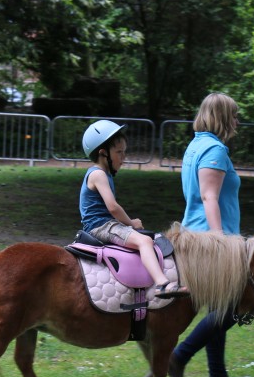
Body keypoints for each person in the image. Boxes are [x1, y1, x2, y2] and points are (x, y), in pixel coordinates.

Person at [167, 92, 250, 377]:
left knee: (220, 305)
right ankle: (178, 357)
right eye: (234, 114)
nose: (238, 120)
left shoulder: (195, 146)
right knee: (232, 306)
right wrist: (220, 240)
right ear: (223, 117)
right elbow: (208, 196)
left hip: (195, 234)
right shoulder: (215, 149)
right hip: (209, 239)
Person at [79, 120, 188, 299]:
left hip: (104, 224)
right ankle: (162, 284)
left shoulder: (101, 173)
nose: (124, 157)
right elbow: (113, 207)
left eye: (125, 152)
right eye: (119, 152)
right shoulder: (98, 174)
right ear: (103, 153)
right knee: (144, 241)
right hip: (101, 226)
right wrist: (131, 223)